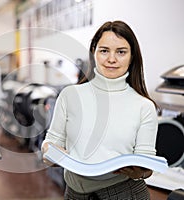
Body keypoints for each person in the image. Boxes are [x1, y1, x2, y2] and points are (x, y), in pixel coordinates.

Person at [41, 20, 159, 199]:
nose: (111, 59)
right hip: (73, 193)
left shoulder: (144, 106)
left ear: (132, 56)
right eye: (104, 51)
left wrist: (139, 172)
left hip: (124, 193)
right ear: (94, 52)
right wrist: (50, 151)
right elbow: (50, 144)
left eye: (121, 52)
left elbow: (146, 167)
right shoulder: (70, 95)